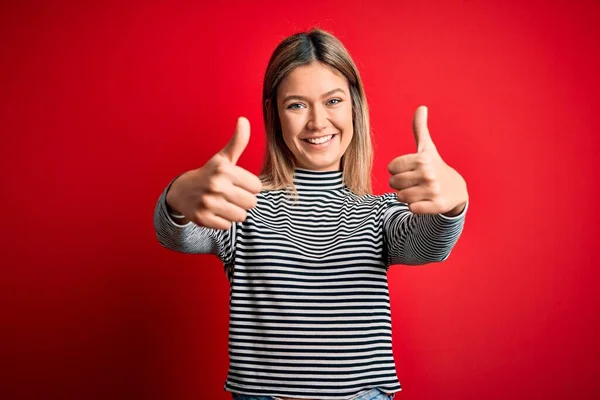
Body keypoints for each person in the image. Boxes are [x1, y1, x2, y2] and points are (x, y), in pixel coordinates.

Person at [154, 28, 468, 400]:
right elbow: (178, 235)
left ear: (354, 104)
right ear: (275, 115)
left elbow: (428, 245)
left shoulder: (380, 213)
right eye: (297, 105)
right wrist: (178, 197)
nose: (318, 122)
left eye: (333, 101)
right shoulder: (243, 203)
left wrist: (454, 203)